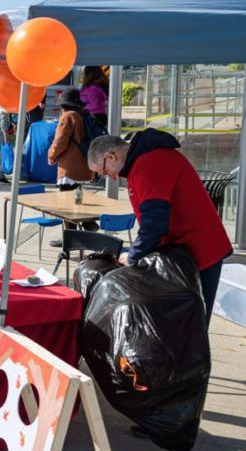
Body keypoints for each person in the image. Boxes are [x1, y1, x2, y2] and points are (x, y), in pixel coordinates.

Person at [87, 130, 232, 324]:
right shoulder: (141, 161)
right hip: (184, 249)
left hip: (200, 250)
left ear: (111, 156)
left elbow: (154, 224)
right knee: (185, 324)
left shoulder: (148, 164)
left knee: (193, 324)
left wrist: (133, 255)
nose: (111, 178)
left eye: (104, 172)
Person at [47, 88, 94, 191]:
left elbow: (60, 141)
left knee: (66, 203)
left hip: (69, 170)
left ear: (63, 105)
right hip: (83, 167)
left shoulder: (67, 117)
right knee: (78, 200)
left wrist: (51, 156)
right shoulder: (82, 115)